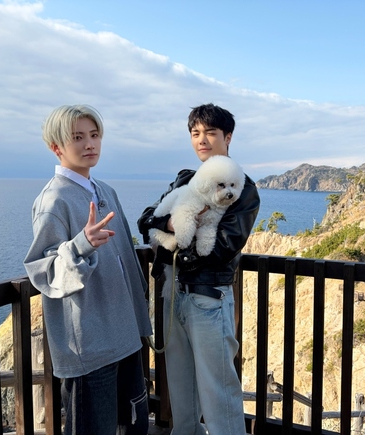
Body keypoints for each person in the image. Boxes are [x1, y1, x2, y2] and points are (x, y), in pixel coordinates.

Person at [24, 104, 152, 435]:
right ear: (56, 147)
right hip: (90, 346)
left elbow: (125, 258)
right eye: (78, 137)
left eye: (94, 135)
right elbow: (44, 272)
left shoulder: (105, 191)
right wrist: (81, 245)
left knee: (133, 424)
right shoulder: (54, 201)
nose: (89, 144)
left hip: (124, 335)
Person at [137, 103, 260, 434]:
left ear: (228, 137)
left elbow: (222, 248)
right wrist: (173, 225)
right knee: (181, 388)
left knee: (218, 391)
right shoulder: (185, 179)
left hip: (209, 297)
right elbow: (145, 220)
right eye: (195, 133)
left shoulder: (243, 189)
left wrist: (176, 237)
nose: (202, 139)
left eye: (210, 132)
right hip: (174, 294)